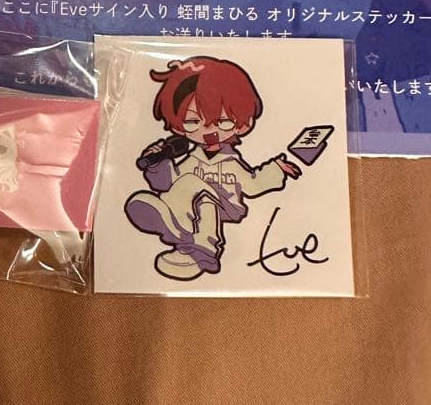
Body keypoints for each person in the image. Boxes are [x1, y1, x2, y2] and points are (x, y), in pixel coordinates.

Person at [125, 56, 302, 281]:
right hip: (190, 209)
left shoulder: (231, 163)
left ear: (243, 124)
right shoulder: (192, 160)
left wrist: (276, 168)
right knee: (188, 185)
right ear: (179, 126)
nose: (208, 129)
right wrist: (157, 162)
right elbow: (168, 184)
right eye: (192, 122)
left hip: (225, 205)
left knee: (197, 189)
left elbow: (254, 184)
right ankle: (181, 237)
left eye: (223, 121)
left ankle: (204, 248)